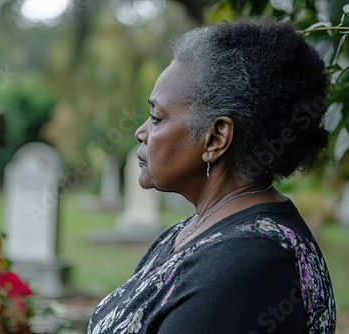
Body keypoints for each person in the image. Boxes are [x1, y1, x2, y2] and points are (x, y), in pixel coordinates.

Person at [88, 19, 336, 334]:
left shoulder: (248, 266)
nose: (141, 132)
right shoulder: (195, 230)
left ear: (216, 138)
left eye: (156, 117)